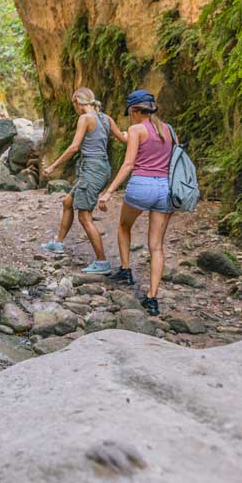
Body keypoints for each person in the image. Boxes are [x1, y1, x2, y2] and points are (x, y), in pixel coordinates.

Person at [98, 89, 176, 316]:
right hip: (164, 188)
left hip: (141, 186)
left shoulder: (136, 129)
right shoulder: (168, 130)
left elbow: (129, 164)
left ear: (134, 110)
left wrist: (109, 192)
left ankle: (125, 270)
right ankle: (152, 298)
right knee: (157, 246)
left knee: (124, 226)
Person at [39, 89, 127, 273]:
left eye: (74, 104)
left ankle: (102, 262)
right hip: (101, 169)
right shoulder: (106, 118)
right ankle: (58, 243)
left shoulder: (85, 119)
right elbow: (123, 139)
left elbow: (74, 147)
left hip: (92, 171)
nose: (75, 108)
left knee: (84, 216)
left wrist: (52, 166)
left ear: (78, 101)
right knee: (67, 202)